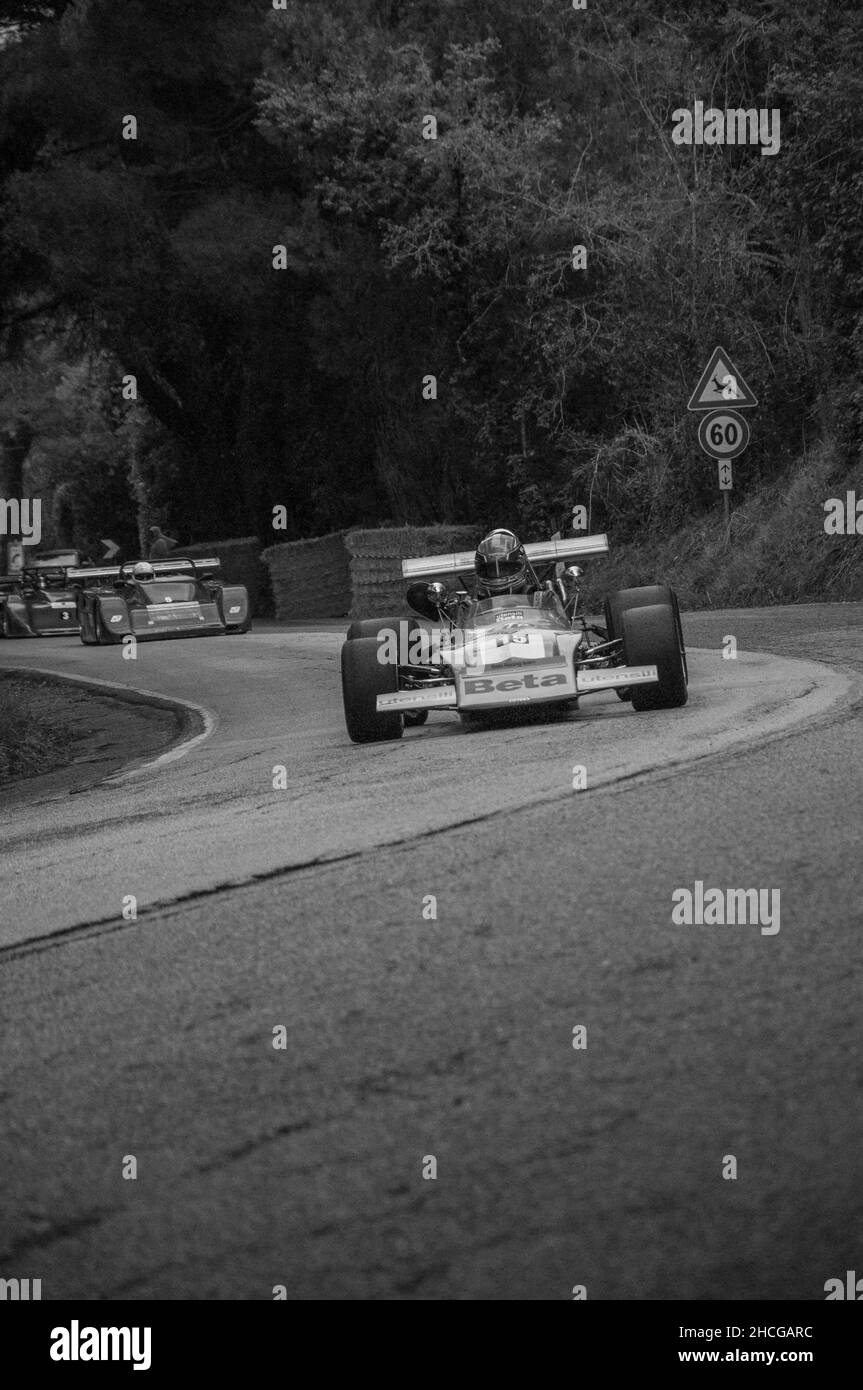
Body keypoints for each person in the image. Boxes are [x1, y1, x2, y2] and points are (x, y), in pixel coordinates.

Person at [473, 528, 535, 597]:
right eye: (492, 571)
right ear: (484, 572)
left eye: (503, 569)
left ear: (517, 568)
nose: (498, 577)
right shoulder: (474, 605)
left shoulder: (535, 598)